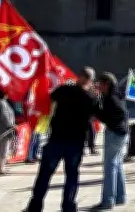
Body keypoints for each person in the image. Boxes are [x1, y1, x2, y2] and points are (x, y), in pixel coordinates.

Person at [24, 67, 104, 212]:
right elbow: (96, 115)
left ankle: (35, 205)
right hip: (75, 142)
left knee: (45, 175)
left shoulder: (63, 90)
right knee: (71, 176)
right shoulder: (91, 98)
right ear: (91, 80)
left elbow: (50, 97)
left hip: (56, 138)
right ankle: (68, 206)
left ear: (79, 76)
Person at [92, 72, 129, 210]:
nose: (98, 86)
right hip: (121, 132)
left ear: (106, 84)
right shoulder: (116, 95)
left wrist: (95, 102)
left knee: (110, 166)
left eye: (100, 83)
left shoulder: (111, 99)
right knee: (117, 165)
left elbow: (104, 116)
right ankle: (120, 197)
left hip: (114, 133)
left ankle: (108, 200)